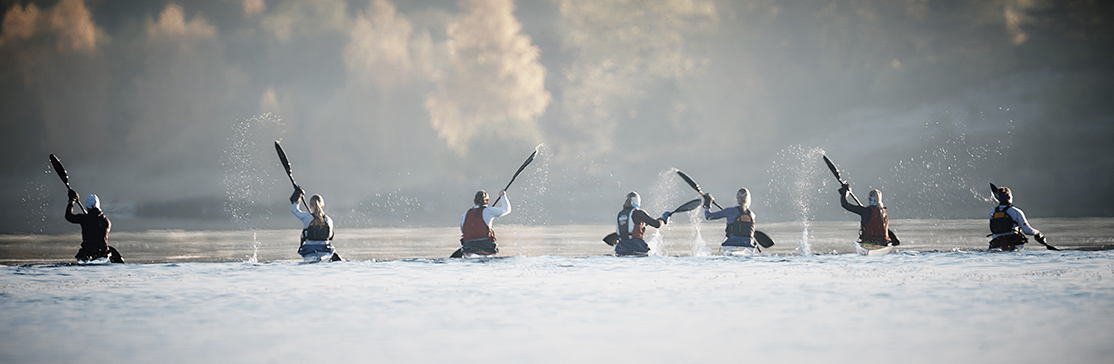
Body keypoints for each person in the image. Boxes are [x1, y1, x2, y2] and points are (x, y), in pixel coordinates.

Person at [65, 189, 124, 263]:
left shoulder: (84, 219)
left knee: (85, 253)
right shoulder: (106, 221)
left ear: (87, 207)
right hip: (103, 253)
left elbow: (68, 216)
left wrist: (71, 202)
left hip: (87, 254)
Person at [290, 186, 341, 262]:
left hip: (309, 250)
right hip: (325, 250)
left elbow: (294, 210)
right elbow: (330, 236)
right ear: (322, 206)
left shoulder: (307, 218)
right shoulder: (328, 220)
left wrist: (298, 197)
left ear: (310, 206)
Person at [988, 186, 1045, 251]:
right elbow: (1027, 230)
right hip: (1013, 242)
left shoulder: (992, 212)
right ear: (1009, 197)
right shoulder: (1016, 211)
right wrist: (1037, 233)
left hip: (996, 242)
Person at [614, 192, 671, 256]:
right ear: (638, 201)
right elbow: (657, 224)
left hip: (621, 249)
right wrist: (663, 220)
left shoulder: (620, 214)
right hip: (637, 247)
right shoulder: (638, 213)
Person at [703, 188, 757, 253]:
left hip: (730, 244)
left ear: (737, 198)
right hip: (749, 245)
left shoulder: (730, 211)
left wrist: (707, 205)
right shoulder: (752, 215)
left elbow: (708, 216)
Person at [838, 184, 893, 248]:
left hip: (868, 241)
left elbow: (845, 205)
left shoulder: (865, 211)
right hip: (883, 242)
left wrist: (844, 193)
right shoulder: (883, 212)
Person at [458, 190, 511, 257]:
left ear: (474, 201)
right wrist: (503, 196)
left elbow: (463, 231)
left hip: (468, 247)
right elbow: (506, 209)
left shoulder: (464, 215)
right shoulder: (489, 211)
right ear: (487, 201)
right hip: (486, 247)